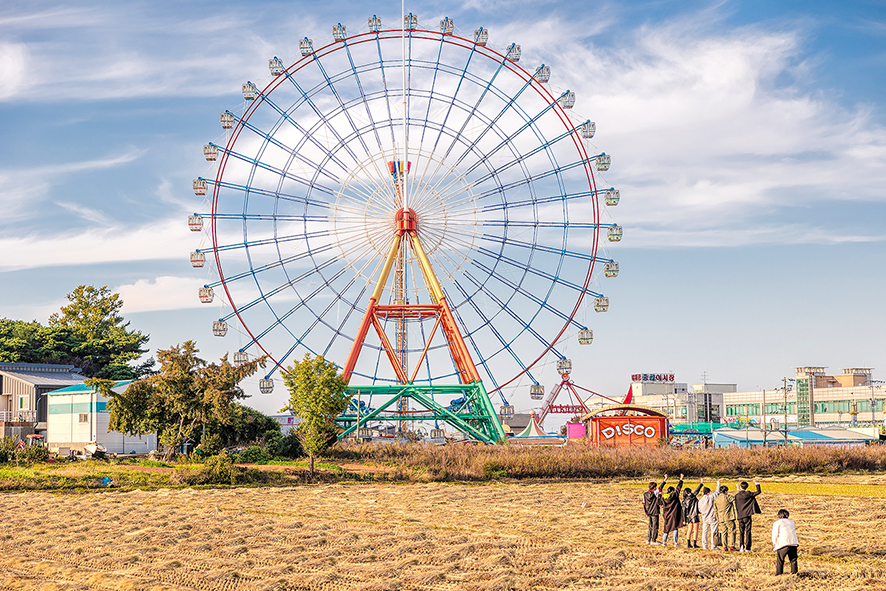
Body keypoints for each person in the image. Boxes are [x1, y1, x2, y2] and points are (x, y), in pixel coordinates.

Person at [734, 480, 762, 552]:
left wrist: (738, 489)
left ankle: (741, 547)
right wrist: (756, 483)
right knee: (748, 531)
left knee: (741, 531)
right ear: (747, 487)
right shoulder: (749, 494)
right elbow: (758, 491)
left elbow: (740, 494)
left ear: (741, 487)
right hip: (747, 515)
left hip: (740, 515)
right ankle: (748, 548)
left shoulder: (737, 495)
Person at [642, 474, 668, 545]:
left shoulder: (644, 494)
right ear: (654, 488)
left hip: (649, 512)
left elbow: (644, 504)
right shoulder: (655, 492)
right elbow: (661, 487)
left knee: (650, 526)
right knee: (655, 526)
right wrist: (665, 479)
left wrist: (646, 512)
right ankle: (653, 540)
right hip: (655, 511)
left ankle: (648, 539)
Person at [660, 473, 685, 546]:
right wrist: (681, 479)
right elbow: (678, 488)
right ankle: (675, 542)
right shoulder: (675, 496)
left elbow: (659, 501)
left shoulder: (664, 498)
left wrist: (659, 493)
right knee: (675, 527)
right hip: (674, 514)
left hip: (666, 515)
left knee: (666, 528)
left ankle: (664, 542)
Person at [772, 508, 799, 575]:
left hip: (783, 542)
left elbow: (775, 533)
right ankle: (794, 573)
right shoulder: (792, 522)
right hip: (793, 542)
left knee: (780, 560)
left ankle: (779, 573)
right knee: (793, 559)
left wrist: (774, 543)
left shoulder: (777, 523)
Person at [714, 484, 739, 551]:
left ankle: (724, 546)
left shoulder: (716, 499)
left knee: (723, 532)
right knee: (732, 531)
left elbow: (715, 510)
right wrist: (738, 489)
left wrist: (718, 518)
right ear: (725, 491)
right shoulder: (727, 497)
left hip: (721, 518)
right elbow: (736, 498)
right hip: (729, 517)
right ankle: (731, 545)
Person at [696, 481, 720, 550]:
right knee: (714, 531)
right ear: (708, 492)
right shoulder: (710, 497)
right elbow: (717, 492)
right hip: (712, 517)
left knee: (704, 532)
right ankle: (713, 545)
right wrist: (718, 484)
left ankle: (704, 545)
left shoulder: (700, 501)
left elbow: (699, 510)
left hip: (704, 518)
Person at [681, 479, 704, 548]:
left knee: (689, 529)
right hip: (694, 515)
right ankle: (694, 543)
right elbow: (697, 490)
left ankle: (688, 543)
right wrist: (701, 483)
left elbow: (684, 510)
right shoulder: (693, 497)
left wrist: (684, 519)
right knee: (696, 530)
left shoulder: (684, 500)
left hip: (688, 516)